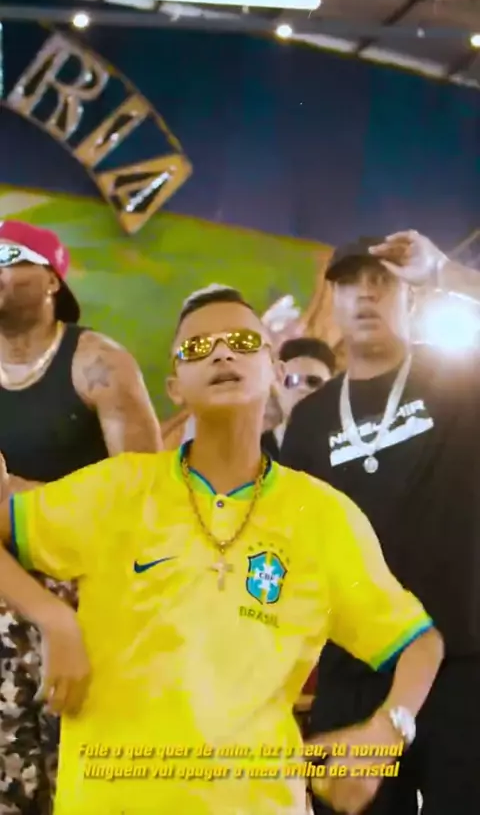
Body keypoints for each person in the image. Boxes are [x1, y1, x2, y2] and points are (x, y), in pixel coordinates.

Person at [0, 284, 443, 815]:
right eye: (197, 348)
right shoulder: (118, 489)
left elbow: (419, 643)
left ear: (275, 370)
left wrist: (389, 729)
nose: (222, 354)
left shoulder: (322, 515)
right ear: (175, 387)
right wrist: (53, 618)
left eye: (242, 342)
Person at [281, 230, 480, 815]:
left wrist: (444, 272)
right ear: (334, 300)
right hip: (354, 666)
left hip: (464, 659)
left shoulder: (461, 379)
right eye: (350, 284)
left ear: (409, 295)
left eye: (381, 282)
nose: (365, 295)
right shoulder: (310, 419)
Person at [0, 219, 162, 815]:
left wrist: (18, 497)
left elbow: (147, 500)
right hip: (5, 603)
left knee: (84, 791)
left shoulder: (98, 363)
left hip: (85, 607)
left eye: (9, 257)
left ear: (51, 279)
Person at [261, 337, 335, 461]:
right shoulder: (252, 450)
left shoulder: (350, 448)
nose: (302, 389)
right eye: (291, 381)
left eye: (313, 381)